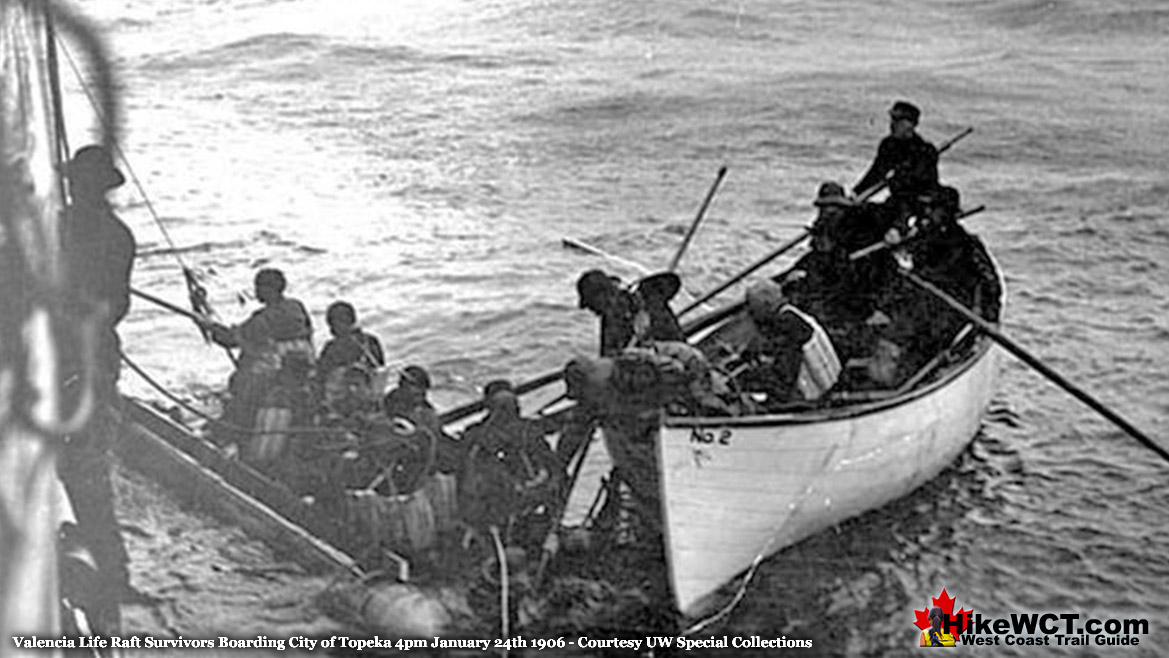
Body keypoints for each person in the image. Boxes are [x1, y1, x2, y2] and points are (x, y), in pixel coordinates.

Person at [57, 144, 137, 632]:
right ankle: (113, 577)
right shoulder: (118, 235)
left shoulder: (65, 228)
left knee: (82, 474)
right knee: (91, 480)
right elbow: (117, 306)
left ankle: (102, 602)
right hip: (97, 361)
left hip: (73, 364)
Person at [204, 268, 315, 459]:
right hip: (302, 365)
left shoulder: (264, 319)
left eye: (259, 287)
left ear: (269, 289)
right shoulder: (296, 307)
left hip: (277, 370)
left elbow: (231, 339)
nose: (255, 292)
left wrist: (208, 326)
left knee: (243, 384)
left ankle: (231, 432)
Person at [459, 383, 561, 550]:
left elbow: (551, 468)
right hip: (507, 505)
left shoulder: (476, 436)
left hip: (516, 504)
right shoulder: (481, 438)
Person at [740, 280, 841, 405]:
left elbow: (785, 378)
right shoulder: (794, 313)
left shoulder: (785, 327)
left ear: (767, 304)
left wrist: (749, 377)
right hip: (832, 381)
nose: (751, 315)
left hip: (815, 396)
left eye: (752, 309)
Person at [853, 101, 939, 230]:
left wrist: (898, 177)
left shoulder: (925, 150)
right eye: (892, 120)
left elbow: (922, 182)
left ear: (911, 125)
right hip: (896, 201)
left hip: (917, 203)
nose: (892, 125)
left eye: (898, 121)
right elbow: (876, 172)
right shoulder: (888, 145)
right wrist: (856, 193)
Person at [576, 269, 685, 357]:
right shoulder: (645, 296)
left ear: (602, 297)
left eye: (591, 303)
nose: (591, 309)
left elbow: (610, 361)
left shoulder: (615, 317)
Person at [317, 301, 386, 417]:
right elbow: (380, 366)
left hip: (342, 401)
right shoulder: (371, 341)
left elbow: (321, 374)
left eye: (331, 324)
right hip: (371, 397)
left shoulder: (333, 346)